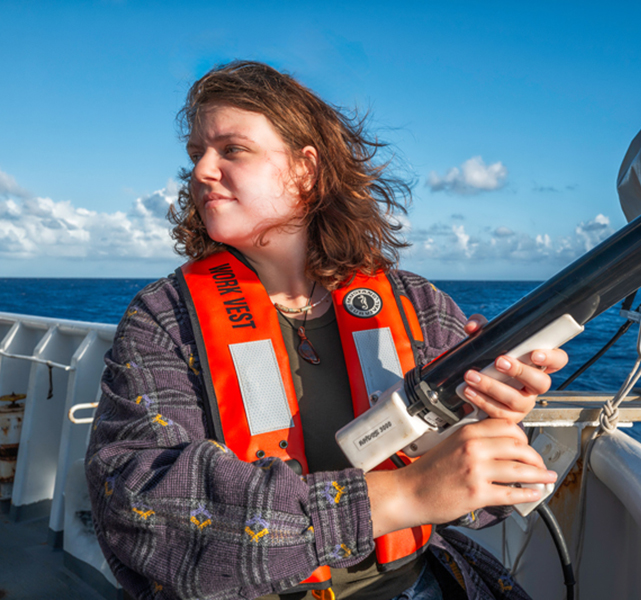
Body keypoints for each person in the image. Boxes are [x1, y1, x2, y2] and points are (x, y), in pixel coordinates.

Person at [86, 61, 567, 600]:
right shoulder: (164, 318)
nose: (201, 170)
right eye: (197, 152)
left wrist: (488, 423)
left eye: (231, 149)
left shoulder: (417, 305)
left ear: (305, 170)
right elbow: (138, 503)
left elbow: (485, 507)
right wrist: (401, 496)